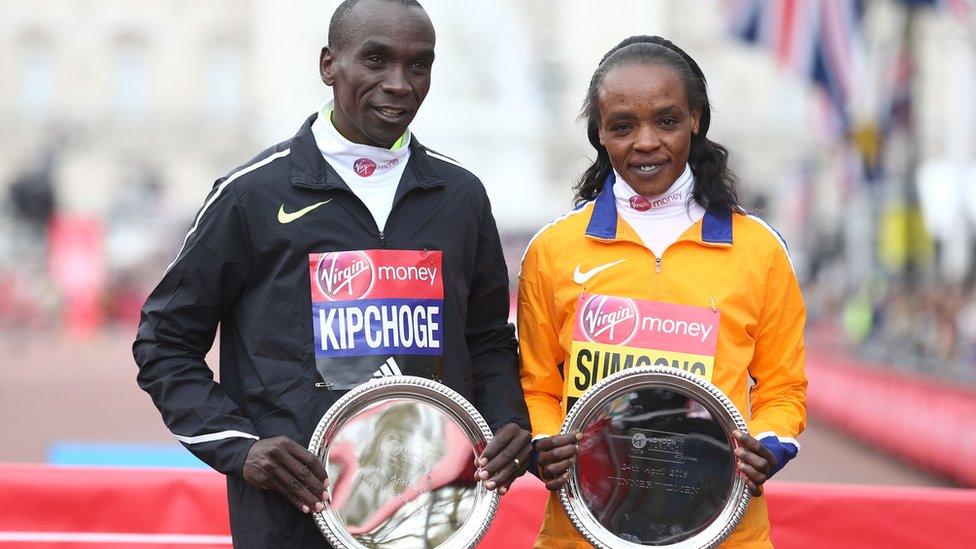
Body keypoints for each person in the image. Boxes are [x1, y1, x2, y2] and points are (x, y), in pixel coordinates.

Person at [133, 1, 531, 546]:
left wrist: (508, 421)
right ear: (329, 65)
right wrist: (241, 448)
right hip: (291, 521)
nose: (399, 84)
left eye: (419, 66)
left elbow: (487, 340)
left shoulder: (462, 196)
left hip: (432, 520)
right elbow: (164, 341)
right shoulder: (252, 195)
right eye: (376, 60)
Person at [518, 36, 807, 548]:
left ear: (696, 119)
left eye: (667, 121)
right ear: (599, 133)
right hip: (583, 528)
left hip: (721, 527)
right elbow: (537, 385)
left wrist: (770, 441)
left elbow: (782, 387)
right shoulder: (553, 250)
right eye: (623, 126)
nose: (646, 142)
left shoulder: (759, 248)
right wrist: (543, 440)